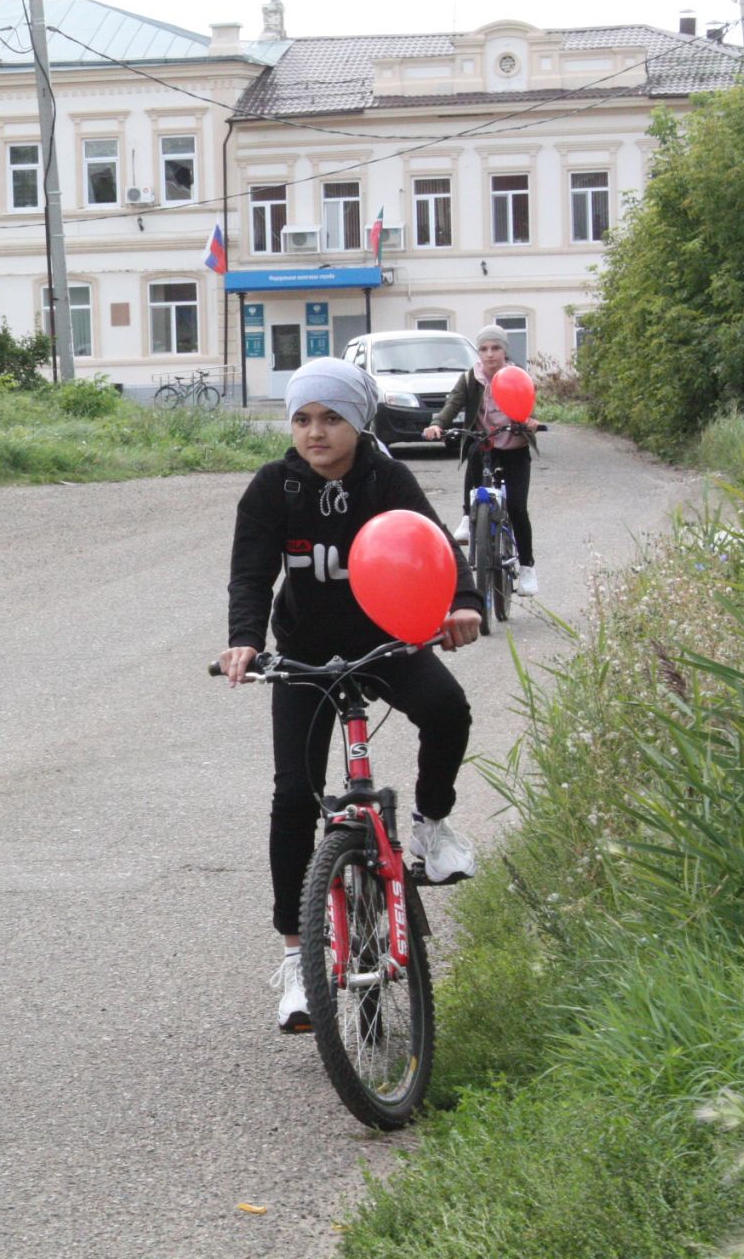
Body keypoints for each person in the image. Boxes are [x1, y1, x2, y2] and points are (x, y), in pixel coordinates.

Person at [218, 358, 484, 1033]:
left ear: (358, 423)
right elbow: (250, 573)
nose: (316, 432)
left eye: (332, 418)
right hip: (305, 656)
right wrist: (245, 639)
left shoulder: (386, 478)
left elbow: (435, 548)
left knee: (448, 711)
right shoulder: (273, 488)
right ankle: (297, 963)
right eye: (303, 418)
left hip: (385, 642)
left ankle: (429, 822)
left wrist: (461, 603)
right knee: (292, 797)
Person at [423, 324, 541, 596]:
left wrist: (531, 422)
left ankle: (527, 568)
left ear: (504, 351)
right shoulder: (470, 378)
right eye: (484, 349)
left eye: (496, 348)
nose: (490, 355)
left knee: (517, 508)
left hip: (514, 446)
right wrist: (438, 424)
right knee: (475, 450)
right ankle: (468, 516)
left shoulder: (517, 376)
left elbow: (529, 405)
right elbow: (453, 404)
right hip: (485, 443)